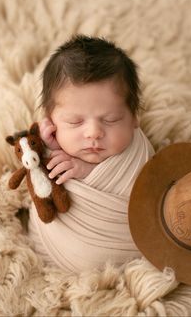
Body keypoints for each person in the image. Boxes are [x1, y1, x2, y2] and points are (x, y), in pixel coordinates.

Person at [28, 35, 154, 272]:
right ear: (51, 119)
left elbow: (148, 194)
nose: (94, 133)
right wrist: (48, 148)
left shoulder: (138, 154)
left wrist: (84, 169)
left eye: (111, 119)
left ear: (134, 117)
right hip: (55, 249)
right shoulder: (52, 140)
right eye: (75, 122)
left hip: (127, 257)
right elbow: (39, 177)